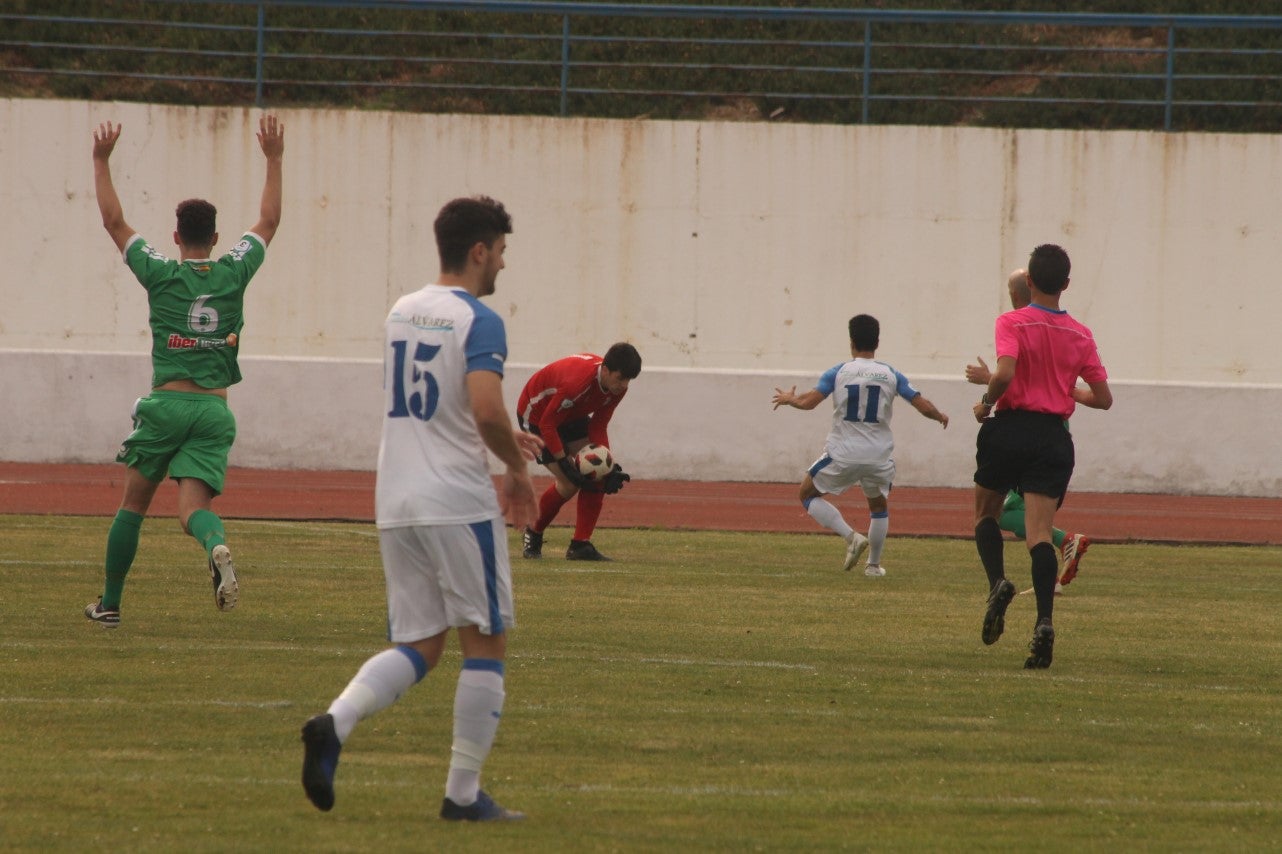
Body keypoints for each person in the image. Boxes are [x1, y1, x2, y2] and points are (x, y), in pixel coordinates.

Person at [300, 196, 540, 822]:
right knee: (485, 641)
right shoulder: (479, 319)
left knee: (422, 643)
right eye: (502, 253)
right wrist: (515, 469)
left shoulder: (401, 310)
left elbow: (438, 407)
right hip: (456, 497)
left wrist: (508, 442)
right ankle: (462, 796)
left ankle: (335, 722)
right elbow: (486, 410)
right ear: (479, 251)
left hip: (397, 496)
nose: (503, 266)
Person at [83, 116, 284, 627]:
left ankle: (109, 605)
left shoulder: (159, 271)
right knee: (192, 510)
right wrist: (274, 158)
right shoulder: (234, 269)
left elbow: (114, 222)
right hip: (214, 411)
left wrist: (101, 161)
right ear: (216, 237)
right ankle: (215, 544)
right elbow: (267, 222)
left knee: (133, 506)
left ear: (176, 236)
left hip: (167, 404)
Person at [972, 245, 1112, 670]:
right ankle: (1045, 623)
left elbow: (1006, 372)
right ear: (1066, 284)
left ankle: (998, 582)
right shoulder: (1081, 334)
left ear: (1028, 281)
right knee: (1038, 534)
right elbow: (1103, 399)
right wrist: (1067, 391)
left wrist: (986, 403)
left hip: (1012, 428)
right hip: (1053, 436)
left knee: (985, 515)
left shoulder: (1011, 321)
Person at [772, 314, 949, 576]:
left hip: (843, 452)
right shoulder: (890, 374)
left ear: (851, 342)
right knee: (878, 507)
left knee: (807, 494)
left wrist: (791, 399)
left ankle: (851, 537)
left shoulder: (839, 372)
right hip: (879, 456)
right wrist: (940, 416)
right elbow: (919, 402)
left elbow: (810, 402)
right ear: (877, 342)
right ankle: (874, 566)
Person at [966, 269, 1091, 594]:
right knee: (1024, 512)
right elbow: (1033, 376)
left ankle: (1063, 543)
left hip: (1023, 427)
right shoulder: (1070, 329)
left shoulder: (1016, 323)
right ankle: (1047, 590)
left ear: (1022, 290)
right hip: (1052, 431)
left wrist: (988, 391)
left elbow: (1015, 378)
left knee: (1004, 512)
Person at [516, 343, 640, 562]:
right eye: (620, 378)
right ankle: (533, 532)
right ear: (606, 370)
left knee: (598, 472)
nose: (623, 385)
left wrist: (608, 465)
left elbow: (598, 426)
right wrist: (564, 462)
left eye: (628, 380)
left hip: (568, 415)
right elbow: (547, 424)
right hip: (536, 417)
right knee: (569, 482)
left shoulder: (616, 388)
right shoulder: (577, 383)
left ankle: (580, 545)